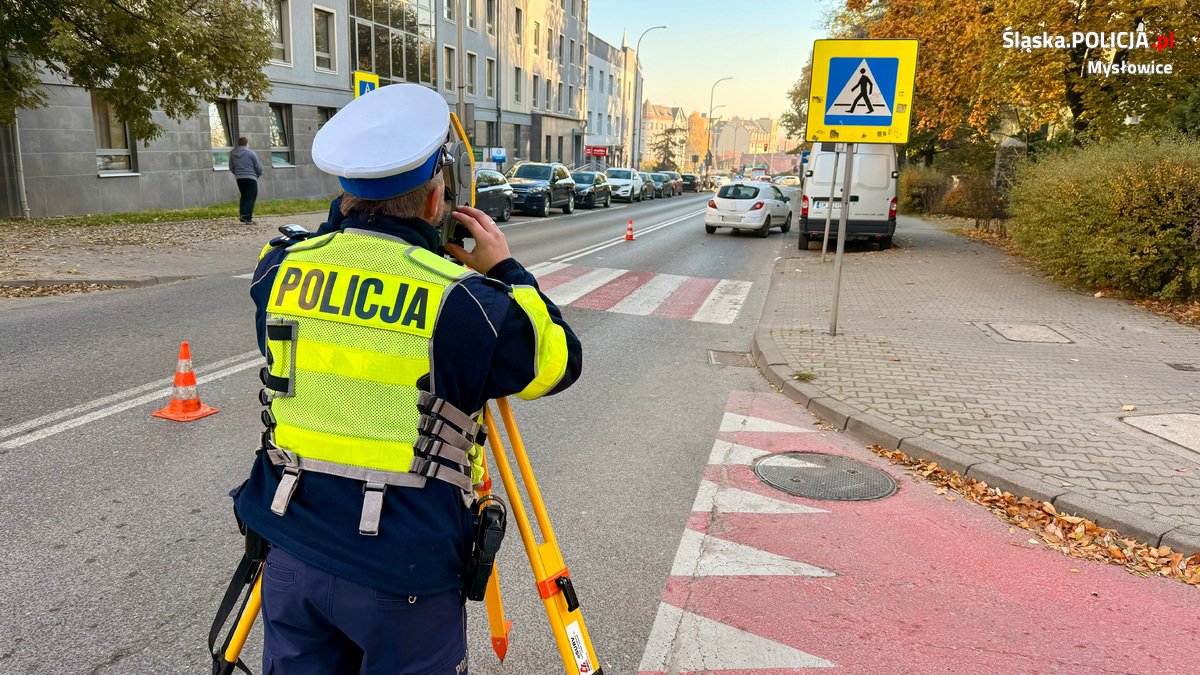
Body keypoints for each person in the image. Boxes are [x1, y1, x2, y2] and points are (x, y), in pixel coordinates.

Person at [235, 83, 582, 673]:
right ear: (435, 202)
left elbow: (337, 271)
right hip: (404, 576)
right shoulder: (466, 303)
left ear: (345, 191)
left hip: (291, 548)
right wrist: (505, 268)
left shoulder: (279, 270)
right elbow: (559, 363)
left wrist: (345, 219)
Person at [229, 137, 263, 224]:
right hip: (251, 177)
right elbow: (258, 167)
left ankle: (243, 215)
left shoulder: (233, 153)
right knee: (251, 197)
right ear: (247, 143)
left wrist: (237, 174)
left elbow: (231, 167)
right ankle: (248, 218)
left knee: (244, 196)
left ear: (239, 144)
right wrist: (256, 175)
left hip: (239, 178)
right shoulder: (251, 153)